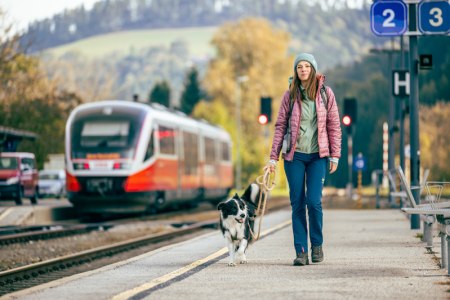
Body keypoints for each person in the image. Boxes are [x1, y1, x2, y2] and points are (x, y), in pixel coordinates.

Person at [266, 52, 342, 266]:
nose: (303, 70)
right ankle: (301, 251)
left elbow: (334, 125)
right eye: (300, 66)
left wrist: (335, 155)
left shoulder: (326, 94)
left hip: (318, 156)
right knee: (297, 203)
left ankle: (317, 245)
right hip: (294, 157)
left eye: (307, 66)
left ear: (313, 69)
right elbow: (280, 126)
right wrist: (273, 158)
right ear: (296, 71)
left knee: (314, 201)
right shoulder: (289, 95)